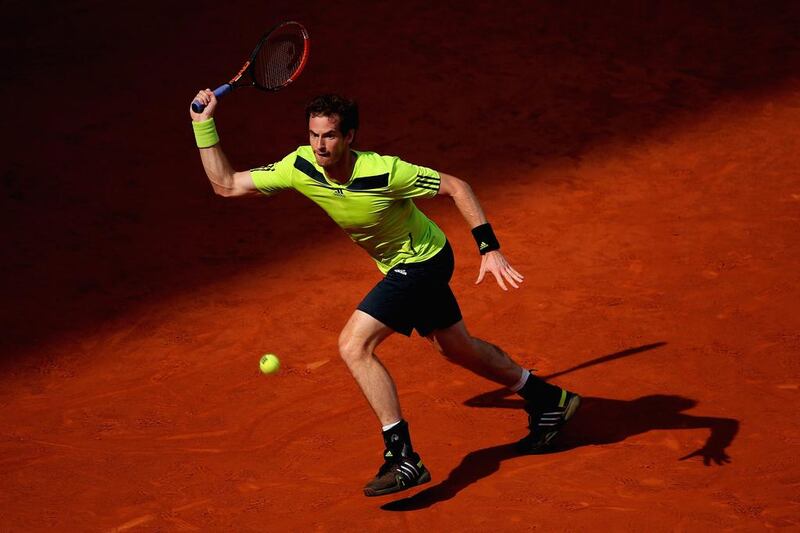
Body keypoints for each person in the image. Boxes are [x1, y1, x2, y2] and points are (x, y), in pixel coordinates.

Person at [189, 90, 581, 497]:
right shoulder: (299, 165)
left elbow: (457, 187)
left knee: (353, 346)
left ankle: (402, 457)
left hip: (424, 261)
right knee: (455, 348)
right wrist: (204, 125)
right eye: (313, 135)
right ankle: (548, 399)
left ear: (350, 136)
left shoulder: (386, 171)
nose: (320, 146)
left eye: (330, 136)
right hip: (401, 265)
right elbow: (227, 185)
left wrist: (489, 247)